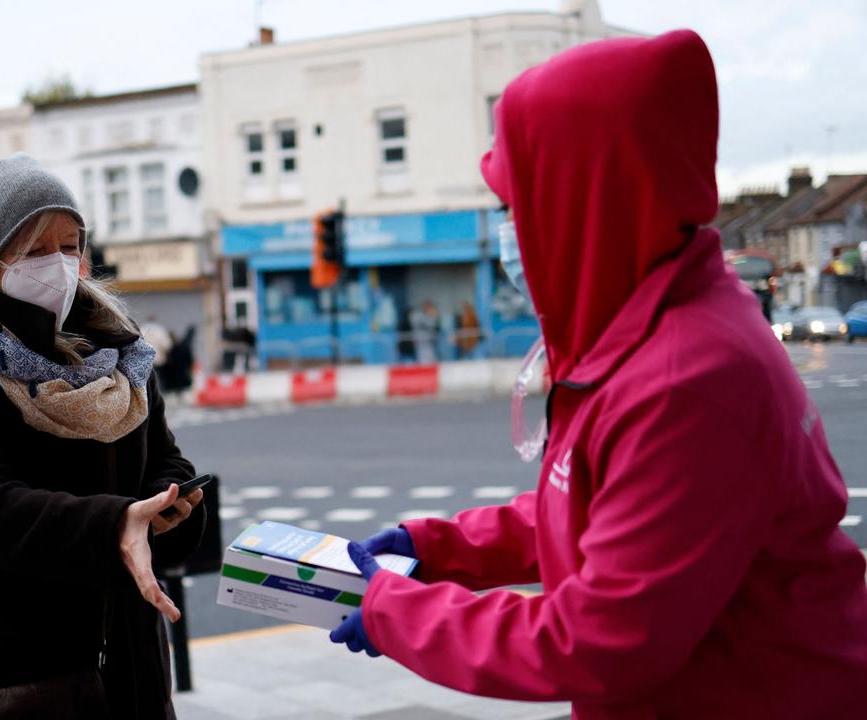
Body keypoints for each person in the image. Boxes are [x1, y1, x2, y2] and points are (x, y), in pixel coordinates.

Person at [330, 30, 867, 717]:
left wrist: (394, 611)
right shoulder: (650, 331)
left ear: (579, 198)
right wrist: (436, 548)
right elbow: (600, 514)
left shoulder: (686, 382)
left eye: (509, 205)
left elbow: (596, 640)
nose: (505, 232)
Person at [0, 154, 206, 719]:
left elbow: (167, 458)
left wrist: (169, 500)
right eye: (37, 249)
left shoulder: (120, 351)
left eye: (71, 246)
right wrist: (116, 522)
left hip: (132, 659)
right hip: (26, 673)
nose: (61, 264)